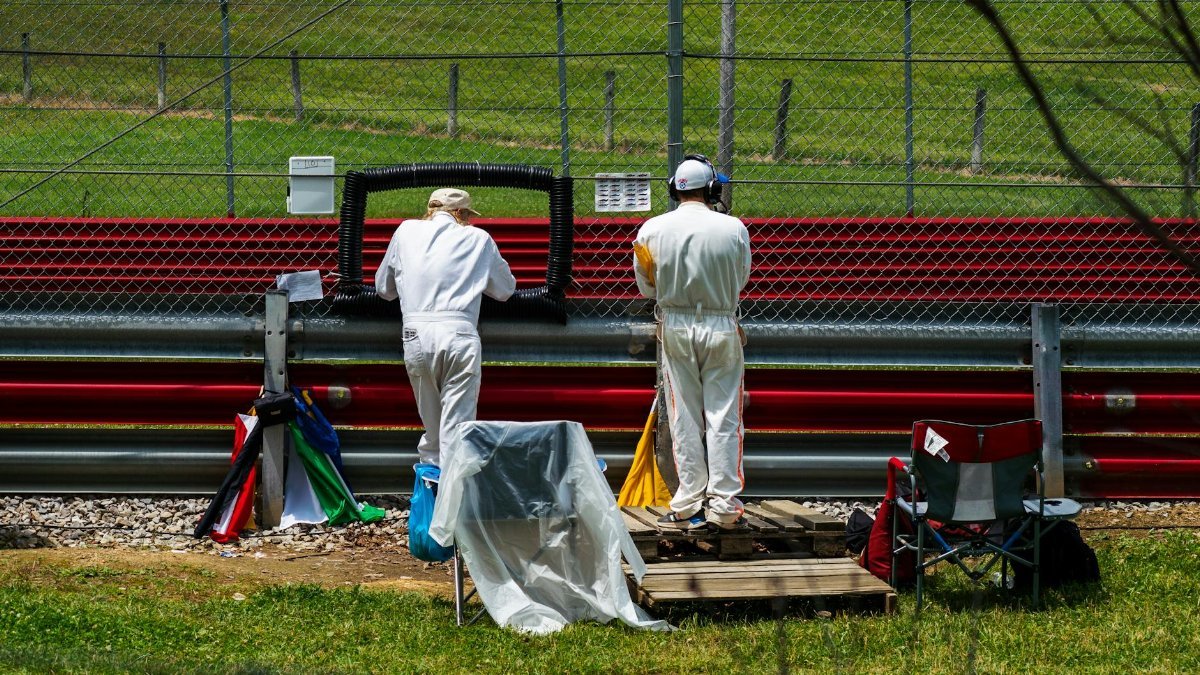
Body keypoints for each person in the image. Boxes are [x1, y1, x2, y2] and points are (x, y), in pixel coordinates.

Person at [632, 155, 752, 531]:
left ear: (674, 188)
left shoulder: (650, 229)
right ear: (712, 189)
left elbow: (645, 285)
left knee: (682, 413)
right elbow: (742, 278)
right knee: (724, 415)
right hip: (720, 323)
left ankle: (686, 502)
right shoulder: (734, 228)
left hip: (675, 324)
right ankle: (724, 504)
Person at [375, 188, 516, 468]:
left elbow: (383, 288)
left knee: (433, 428)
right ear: (462, 214)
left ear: (430, 210)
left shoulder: (405, 232)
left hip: (415, 335)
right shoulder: (478, 238)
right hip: (459, 334)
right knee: (457, 428)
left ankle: (430, 493)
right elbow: (505, 290)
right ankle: (452, 504)